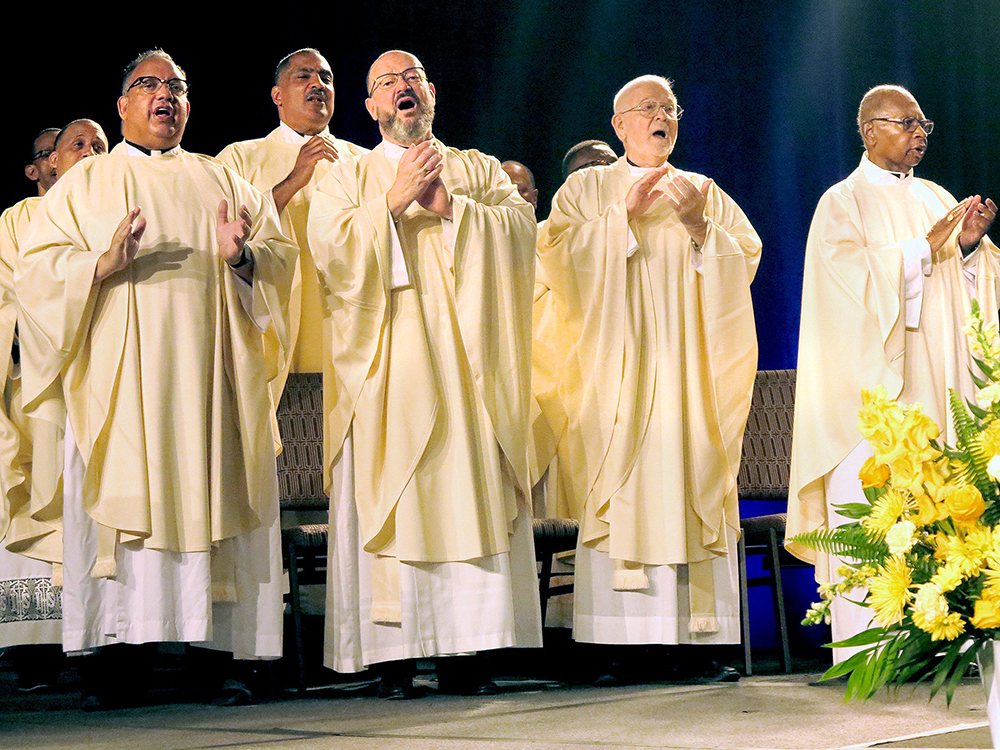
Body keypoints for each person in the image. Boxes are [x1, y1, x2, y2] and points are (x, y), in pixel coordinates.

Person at [16, 50, 296, 706]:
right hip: (119, 387)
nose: (165, 95)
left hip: (211, 385)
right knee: (122, 523)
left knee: (215, 506)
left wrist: (245, 255)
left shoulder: (223, 179)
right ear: (122, 105)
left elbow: (285, 260)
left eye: (177, 86)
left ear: (189, 106)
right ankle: (118, 669)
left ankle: (219, 663)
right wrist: (99, 264)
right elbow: (38, 273)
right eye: (149, 84)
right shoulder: (85, 184)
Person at [309, 49, 542, 698]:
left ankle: (471, 656)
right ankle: (395, 659)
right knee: (400, 494)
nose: (401, 88)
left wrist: (451, 210)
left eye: (411, 78)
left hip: (468, 369)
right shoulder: (346, 176)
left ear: (431, 92)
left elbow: (524, 235)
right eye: (387, 83)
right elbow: (328, 256)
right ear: (370, 106)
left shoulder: (475, 169)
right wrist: (389, 203)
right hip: (389, 370)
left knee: (468, 488)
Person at [536, 75, 759, 681]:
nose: (663, 116)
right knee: (623, 484)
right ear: (620, 125)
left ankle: (698, 643)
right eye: (649, 108)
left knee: (691, 477)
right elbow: (553, 259)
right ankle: (618, 644)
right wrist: (620, 222)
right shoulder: (587, 189)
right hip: (617, 374)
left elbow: (746, 260)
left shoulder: (703, 191)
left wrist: (699, 229)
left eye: (670, 108)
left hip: (689, 373)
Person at [787, 84, 1000, 660]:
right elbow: (841, 291)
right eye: (906, 123)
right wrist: (916, 253)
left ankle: (945, 640)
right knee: (877, 506)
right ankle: (871, 650)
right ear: (868, 129)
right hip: (873, 390)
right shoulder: (842, 202)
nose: (920, 133)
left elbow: (967, 294)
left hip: (937, 379)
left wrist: (973, 250)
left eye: (923, 123)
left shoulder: (938, 197)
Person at [0, 120, 106, 690]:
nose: (88, 154)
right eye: (71, 147)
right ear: (41, 167)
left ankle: (95, 639)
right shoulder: (17, 222)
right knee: (37, 513)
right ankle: (34, 648)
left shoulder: (108, 206)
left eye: (98, 146)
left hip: (100, 384)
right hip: (36, 390)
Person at [217, 49, 367, 403]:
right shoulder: (240, 158)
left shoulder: (364, 161)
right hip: (274, 328)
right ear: (277, 95)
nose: (318, 85)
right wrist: (294, 181)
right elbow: (227, 242)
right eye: (304, 76)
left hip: (349, 332)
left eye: (326, 78)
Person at [23, 129, 59, 197]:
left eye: (64, 153)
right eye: (48, 154)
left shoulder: (83, 205)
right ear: (32, 172)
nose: (58, 159)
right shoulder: (23, 208)